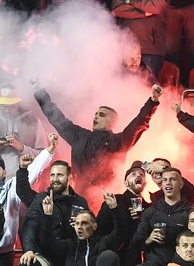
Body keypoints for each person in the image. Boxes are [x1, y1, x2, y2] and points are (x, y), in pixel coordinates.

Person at [32, 80, 161, 191]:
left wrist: (152, 102)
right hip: (79, 197)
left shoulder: (119, 142)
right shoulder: (79, 135)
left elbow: (138, 124)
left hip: (106, 201)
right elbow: (56, 118)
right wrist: (39, 92)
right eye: (96, 114)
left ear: (112, 122)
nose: (96, 116)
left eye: (102, 115)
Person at [111, 0, 172, 77]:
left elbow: (158, 7)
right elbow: (116, 8)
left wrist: (130, 1)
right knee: (121, 88)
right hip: (125, 48)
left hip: (150, 48)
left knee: (146, 89)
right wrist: (144, 13)